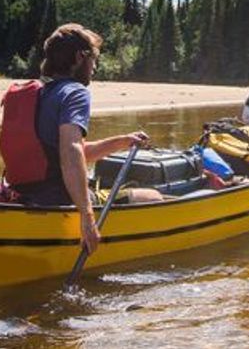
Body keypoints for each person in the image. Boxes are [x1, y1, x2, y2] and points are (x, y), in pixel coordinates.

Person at [11, 23, 153, 256]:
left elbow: (72, 153)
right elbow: (71, 150)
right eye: (94, 59)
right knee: (151, 197)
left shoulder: (43, 93)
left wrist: (123, 141)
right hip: (57, 197)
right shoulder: (75, 92)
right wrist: (87, 217)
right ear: (79, 57)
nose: (95, 67)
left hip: (29, 193)